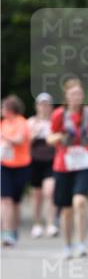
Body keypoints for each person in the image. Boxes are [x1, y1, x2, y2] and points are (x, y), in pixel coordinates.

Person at [48, 79, 88, 258]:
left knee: (80, 202)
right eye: (73, 94)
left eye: (79, 94)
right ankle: (67, 245)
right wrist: (61, 137)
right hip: (64, 164)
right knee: (66, 209)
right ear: (66, 96)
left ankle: (82, 243)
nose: (76, 97)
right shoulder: (58, 114)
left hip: (84, 163)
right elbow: (50, 138)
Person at [1, 95, 32, 247]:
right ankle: (6, 232)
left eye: (4, 107)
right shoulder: (4, 123)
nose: (2, 110)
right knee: (6, 200)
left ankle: (13, 229)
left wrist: (4, 137)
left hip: (21, 166)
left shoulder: (21, 122)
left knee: (16, 202)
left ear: (10, 109)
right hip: (5, 165)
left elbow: (19, 139)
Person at [28, 92, 58, 237]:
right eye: (42, 104)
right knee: (37, 194)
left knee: (50, 191)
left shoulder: (55, 122)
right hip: (35, 161)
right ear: (37, 106)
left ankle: (51, 223)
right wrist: (34, 134)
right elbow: (25, 143)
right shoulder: (31, 122)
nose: (44, 107)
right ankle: (37, 223)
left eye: (47, 105)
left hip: (51, 160)